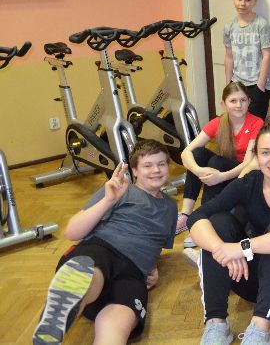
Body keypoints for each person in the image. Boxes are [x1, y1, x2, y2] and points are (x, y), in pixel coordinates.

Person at [188, 119, 270, 345]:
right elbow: (198, 216)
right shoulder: (249, 182)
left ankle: (260, 330)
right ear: (256, 156)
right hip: (248, 281)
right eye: (266, 152)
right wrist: (222, 249)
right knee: (218, 222)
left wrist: (242, 248)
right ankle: (216, 324)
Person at [32, 140, 177, 345]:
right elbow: (72, 232)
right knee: (89, 277)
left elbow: (157, 244)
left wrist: (153, 266)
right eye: (148, 165)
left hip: (134, 273)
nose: (156, 170)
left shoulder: (171, 207)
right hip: (101, 251)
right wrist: (109, 200)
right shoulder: (121, 190)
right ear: (135, 171)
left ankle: (70, 307)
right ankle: (65, 305)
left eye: (162, 164)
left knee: (119, 324)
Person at [176, 81, 263, 236]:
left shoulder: (257, 122)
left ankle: (204, 223)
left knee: (217, 162)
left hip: (246, 174)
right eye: (233, 101)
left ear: (249, 101)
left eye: (243, 100)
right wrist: (199, 171)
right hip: (222, 171)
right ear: (223, 104)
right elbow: (186, 153)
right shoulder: (218, 122)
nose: (239, 105)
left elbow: (248, 163)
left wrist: (220, 177)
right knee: (198, 154)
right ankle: (186, 214)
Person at [224, 0, 270, 119]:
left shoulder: (261, 25)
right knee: (236, 121)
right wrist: (228, 85)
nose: (242, 3)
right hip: (237, 83)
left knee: (254, 124)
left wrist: (260, 86)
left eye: (247, 0)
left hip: (257, 84)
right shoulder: (229, 27)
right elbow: (229, 56)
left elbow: (267, 55)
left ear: (254, 1)